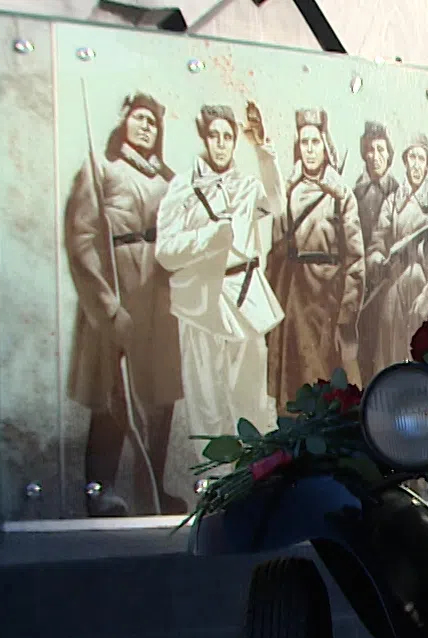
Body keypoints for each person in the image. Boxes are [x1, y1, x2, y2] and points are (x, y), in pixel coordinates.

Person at [62, 92, 181, 517]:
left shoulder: (167, 180)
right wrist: (109, 307)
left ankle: (152, 487)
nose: (146, 126)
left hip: (158, 304)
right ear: (124, 121)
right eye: (139, 118)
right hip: (116, 300)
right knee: (115, 396)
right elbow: (80, 241)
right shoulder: (101, 170)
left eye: (154, 121)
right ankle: (101, 489)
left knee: (159, 398)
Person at [154, 103, 284, 486]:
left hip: (245, 297)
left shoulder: (246, 186)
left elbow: (276, 203)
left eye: (228, 136)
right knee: (207, 399)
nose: (222, 144)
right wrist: (209, 238)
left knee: (252, 398)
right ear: (204, 137)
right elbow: (165, 251)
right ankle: (214, 482)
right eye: (215, 135)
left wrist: (263, 152)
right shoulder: (183, 187)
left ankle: (257, 477)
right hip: (202, 302)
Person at [264, 108, 365, 409]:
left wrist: (345, 315)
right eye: (304, 143)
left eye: (315, 142)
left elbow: (356, 261)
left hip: (328, 303)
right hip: (295, 300)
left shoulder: (341, 194)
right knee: (294, 388)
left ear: (325, 145)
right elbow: (277, 248)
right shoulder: (288, 192)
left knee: (326, 386)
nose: (309, 150)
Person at [366, 135, 428, 379]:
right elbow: (377, 242)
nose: (416, 164)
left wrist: (427, 299)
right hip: (394, 289)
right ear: (405, 162)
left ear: (427, 165)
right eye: (412, 157)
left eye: (421, 158)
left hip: (421, 292)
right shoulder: (393, 203)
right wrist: (376, 260)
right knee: (389, 357)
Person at [352, 121, 398, 377]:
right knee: (365, 344)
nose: (375, 156)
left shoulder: (398, 193)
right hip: (364, 282)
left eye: (381, 149)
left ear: (389, 154)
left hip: (390, 282)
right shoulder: (355, 194)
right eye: (370, 150)